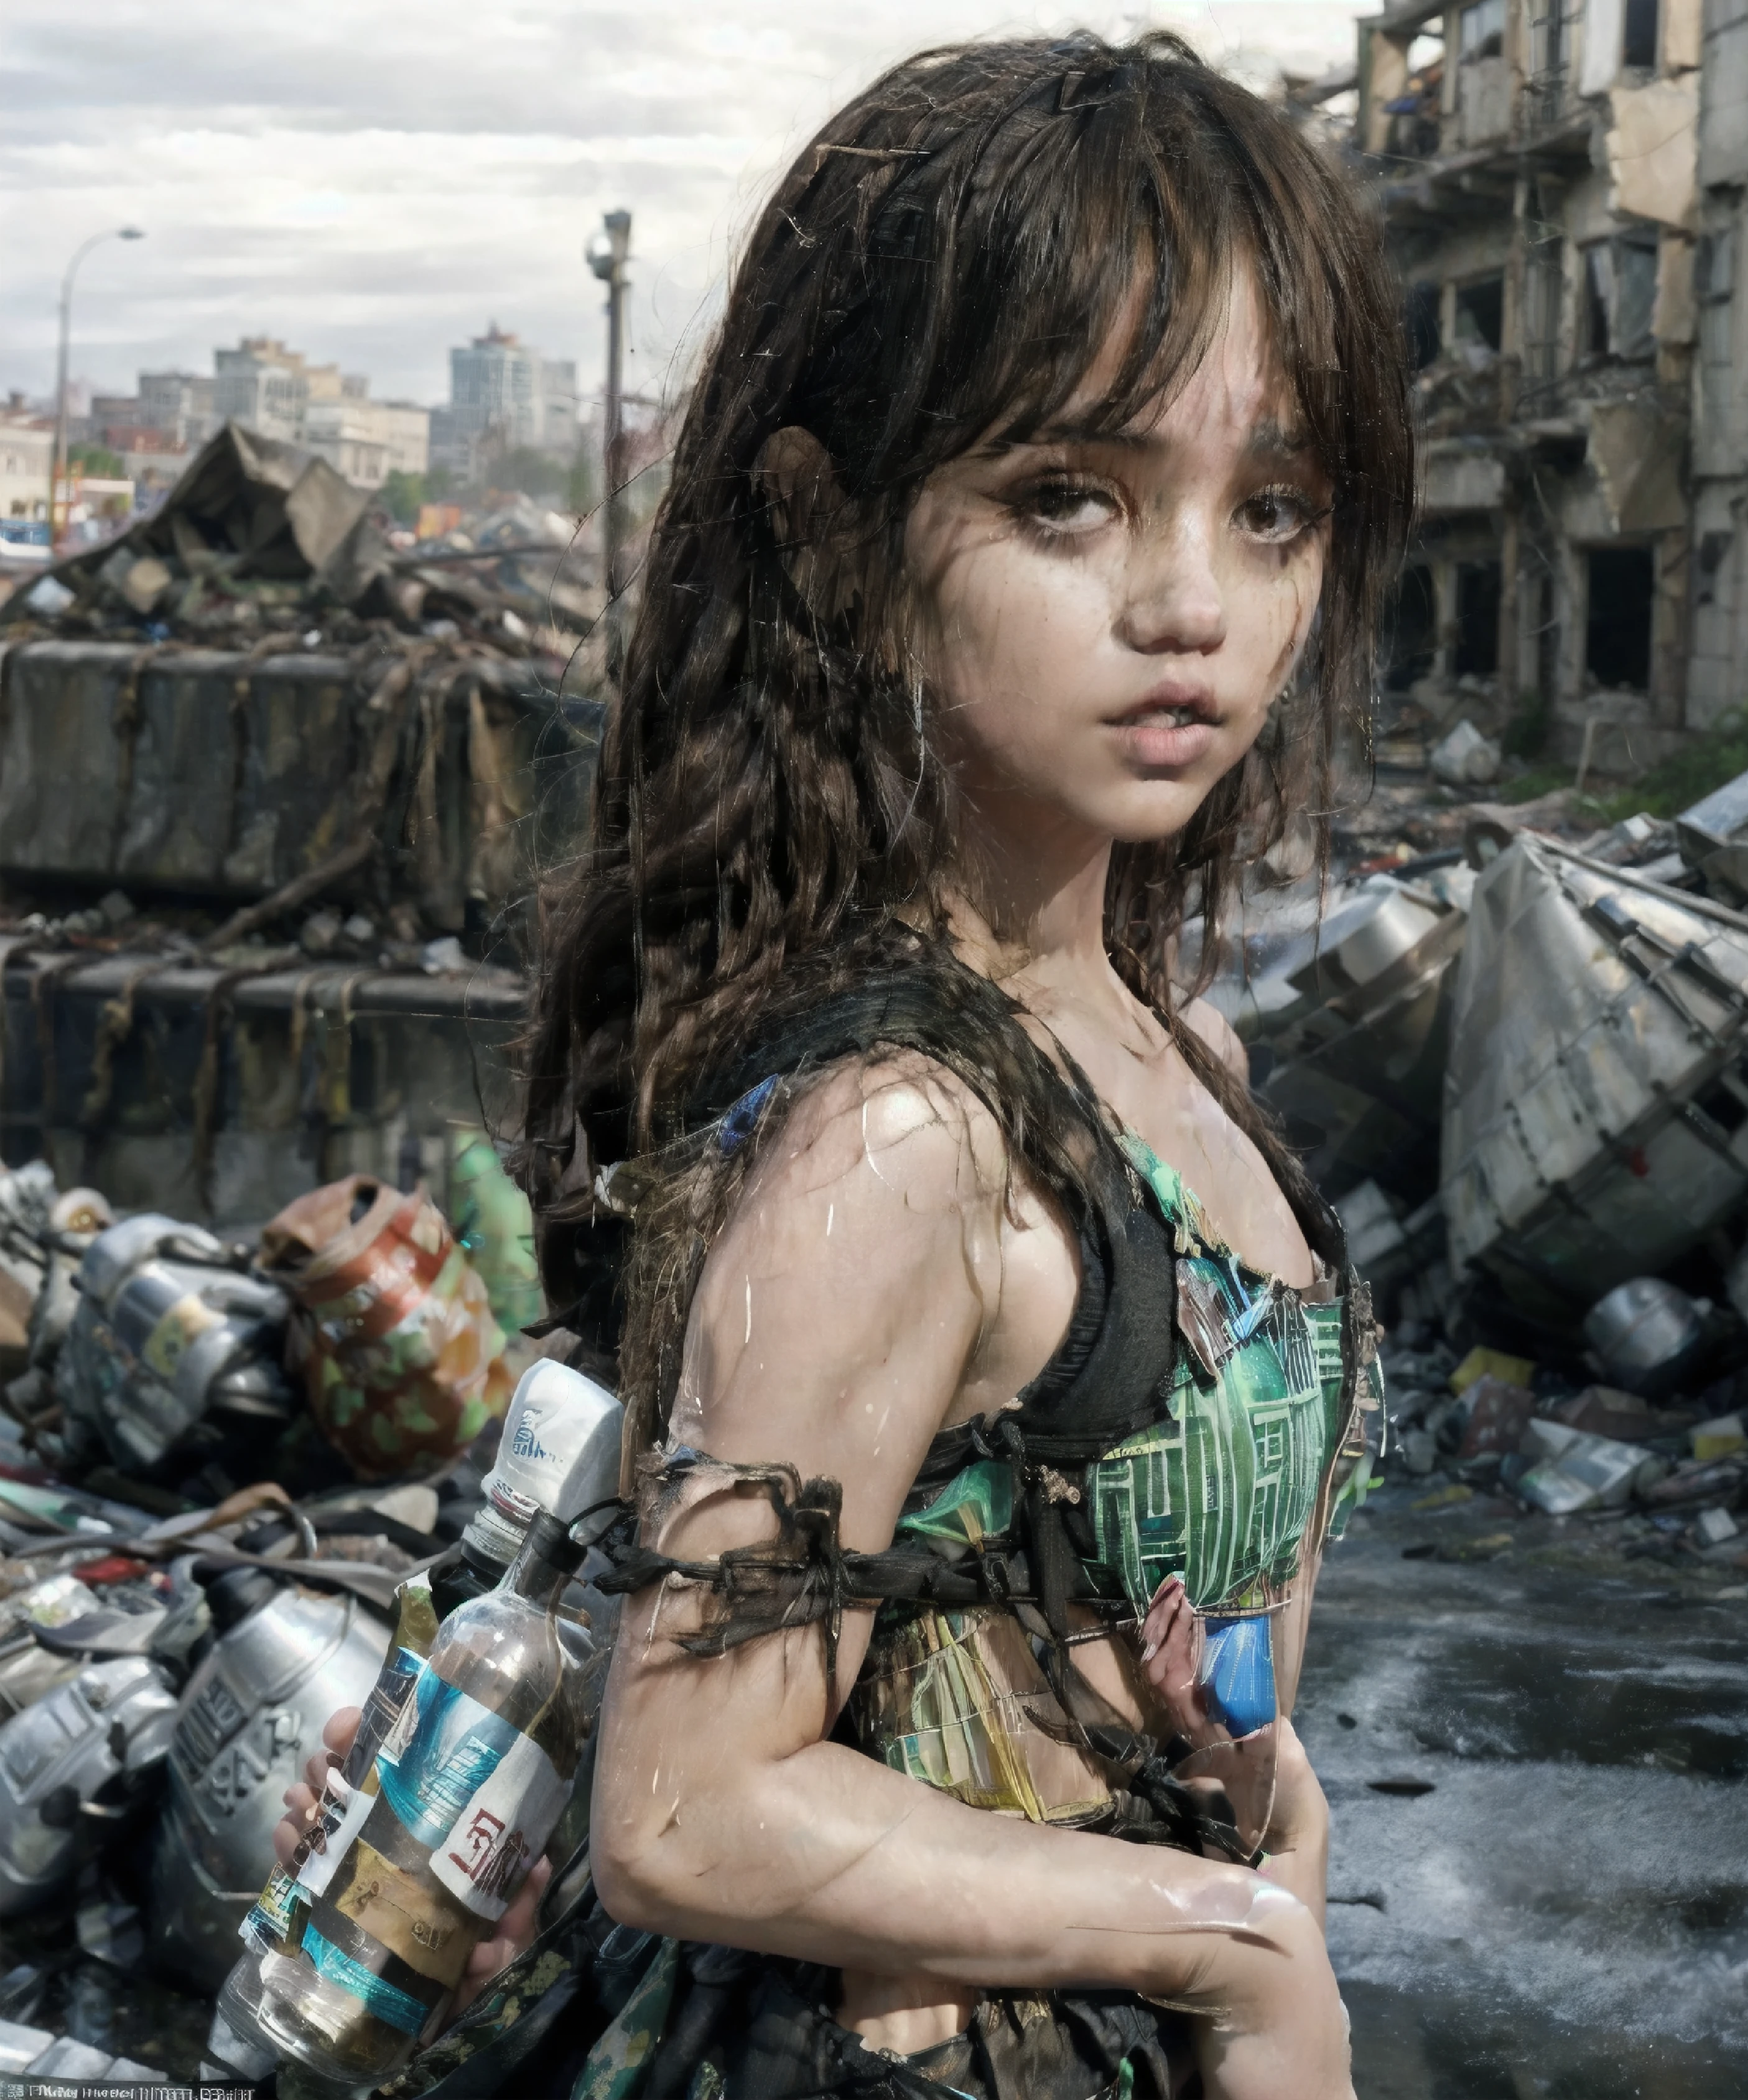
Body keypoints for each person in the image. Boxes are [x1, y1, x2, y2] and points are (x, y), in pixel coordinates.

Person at [277, 32, 1412, 2098]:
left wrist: (1268, 1811)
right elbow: (689, 1809)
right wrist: (1235, 1949)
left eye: (1273, 510)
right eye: (1070, 497)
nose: (1195, 606)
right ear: (829, 528)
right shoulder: (907, 1134)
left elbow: (1161, 1631)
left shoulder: (1187, 1066)